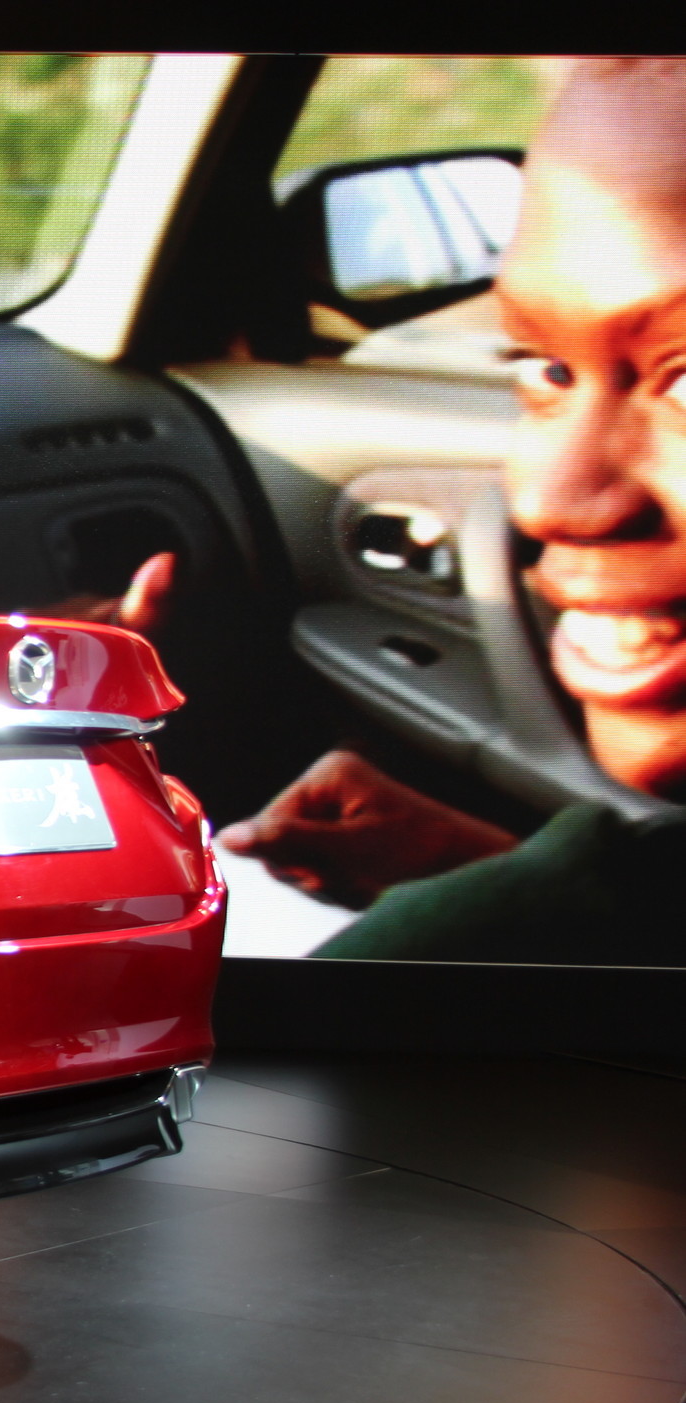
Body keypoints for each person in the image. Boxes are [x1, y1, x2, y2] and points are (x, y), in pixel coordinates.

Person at [220, 57, 686, 965]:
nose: (547, 497)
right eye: (545, 368)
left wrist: (530, 911)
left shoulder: (504, 935)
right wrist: (491, 866)